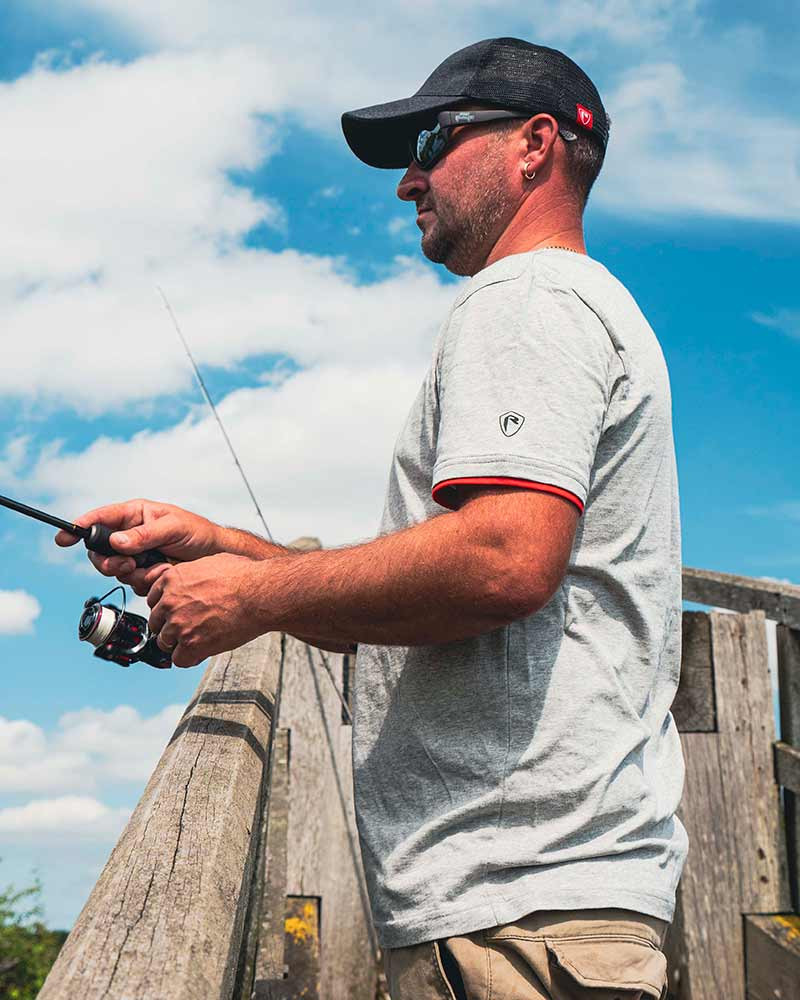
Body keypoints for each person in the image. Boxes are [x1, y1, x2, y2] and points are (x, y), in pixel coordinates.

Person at [56, 37, 686, 1000]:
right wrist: (227, 552)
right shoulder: (571, 305)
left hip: (520, 911)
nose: (408, 180)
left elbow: (502, 561)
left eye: (433, 141)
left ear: (535, 145)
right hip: (523, 907)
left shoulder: (528, 299)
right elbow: (428, 600)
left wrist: (251, 598)